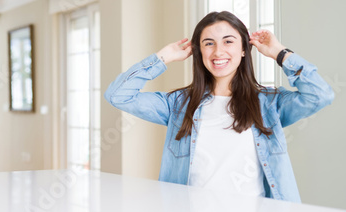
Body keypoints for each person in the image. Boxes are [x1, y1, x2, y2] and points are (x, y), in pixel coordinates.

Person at [104, 11, 334, 203]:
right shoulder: (177, 104)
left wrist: (281, 54)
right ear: (199, 52)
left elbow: (320, 95)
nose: (218, 52)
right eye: (209, 43)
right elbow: (118, 95)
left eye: (228, 41)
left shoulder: (269, 103)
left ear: (244, 49)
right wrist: (163, 57)